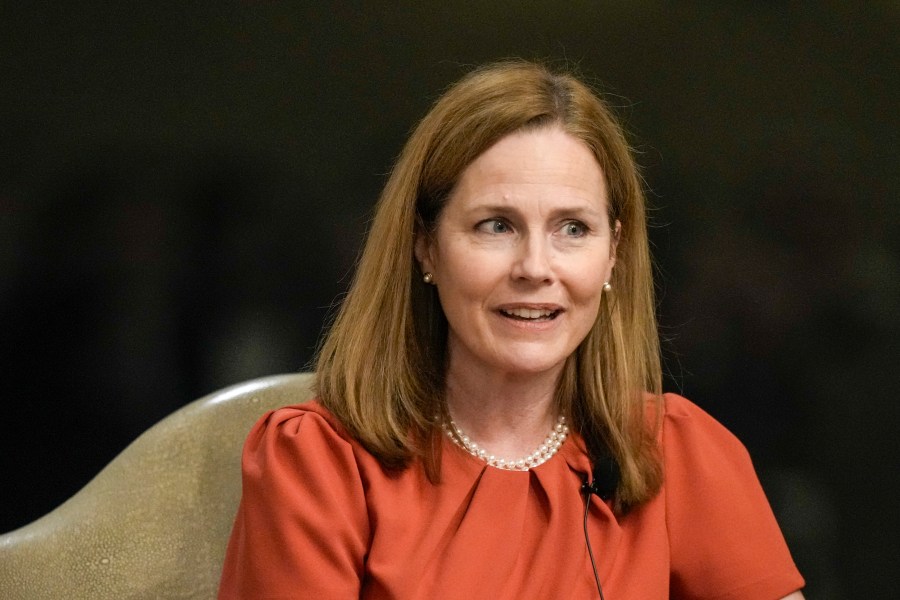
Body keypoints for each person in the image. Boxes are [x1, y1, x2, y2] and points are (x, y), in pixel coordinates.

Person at [218, 60, 805, 599]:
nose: (535, 268)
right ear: (426, 246)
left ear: (613, 255)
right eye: (496, 225)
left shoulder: (677, 451)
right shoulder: (319, 462)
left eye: (572, 228)